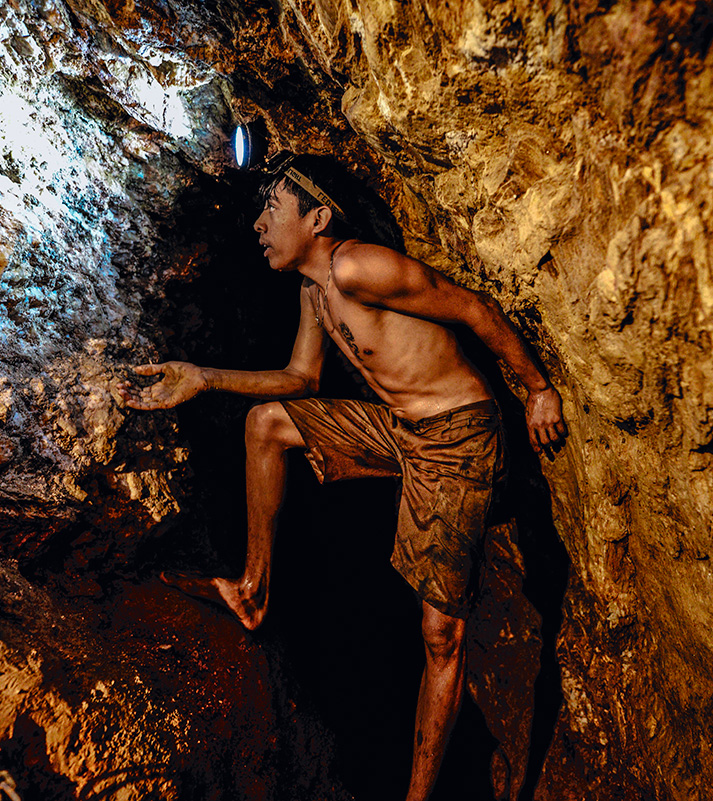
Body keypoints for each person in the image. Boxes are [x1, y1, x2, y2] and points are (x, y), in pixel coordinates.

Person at [119, 154, 566, 801]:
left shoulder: (359, 266)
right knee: (267, 423)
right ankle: (252, 590)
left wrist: (538, 388)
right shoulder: (314, 290)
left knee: (441, 632)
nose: (258, 225)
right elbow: (301, 380)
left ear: (318, 217)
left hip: (460, 438)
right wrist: (204, 376)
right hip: (402, 429)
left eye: (272, 210)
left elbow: (471, 308)